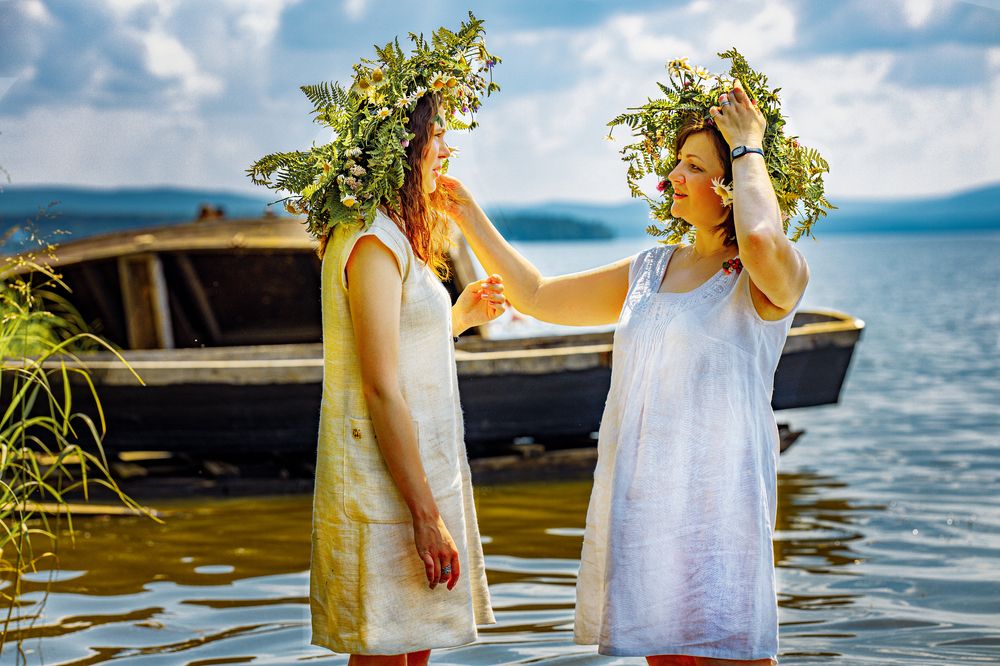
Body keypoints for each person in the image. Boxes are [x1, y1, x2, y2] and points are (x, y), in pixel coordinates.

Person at [442, 71, 821, 665]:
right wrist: (465, 210)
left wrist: (749, 142)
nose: (673, 176)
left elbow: (759, 237)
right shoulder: (650, 268)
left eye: (695, 165)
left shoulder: (770, 275)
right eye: (677, 162)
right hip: (648, 502)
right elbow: (536, 295)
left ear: (735, 181)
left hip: (718, 507)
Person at [248, 16, 504, 664]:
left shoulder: (392, 235)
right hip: (386, 487)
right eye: (437, 135)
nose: (446, 150)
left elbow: (395, 350)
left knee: (413, 651)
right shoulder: (370, 242)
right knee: (385, 654)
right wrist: (426, 516)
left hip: (415, 473)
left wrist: (456, 320)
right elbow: (380, 384)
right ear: (403, 145)